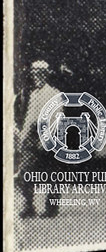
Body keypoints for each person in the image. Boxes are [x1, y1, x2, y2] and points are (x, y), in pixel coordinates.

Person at [16, 60, 62, 219]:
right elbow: (29, 119)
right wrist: (22, 138)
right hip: (32, 138)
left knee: (53, 176)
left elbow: (56, 119)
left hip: (49, 138)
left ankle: (51, 209)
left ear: (47, 74)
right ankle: (29, 206)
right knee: (26, 173)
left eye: (41, 73)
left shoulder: (54, 94)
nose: (37, 75)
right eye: (35, 72)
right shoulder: (34, 94)